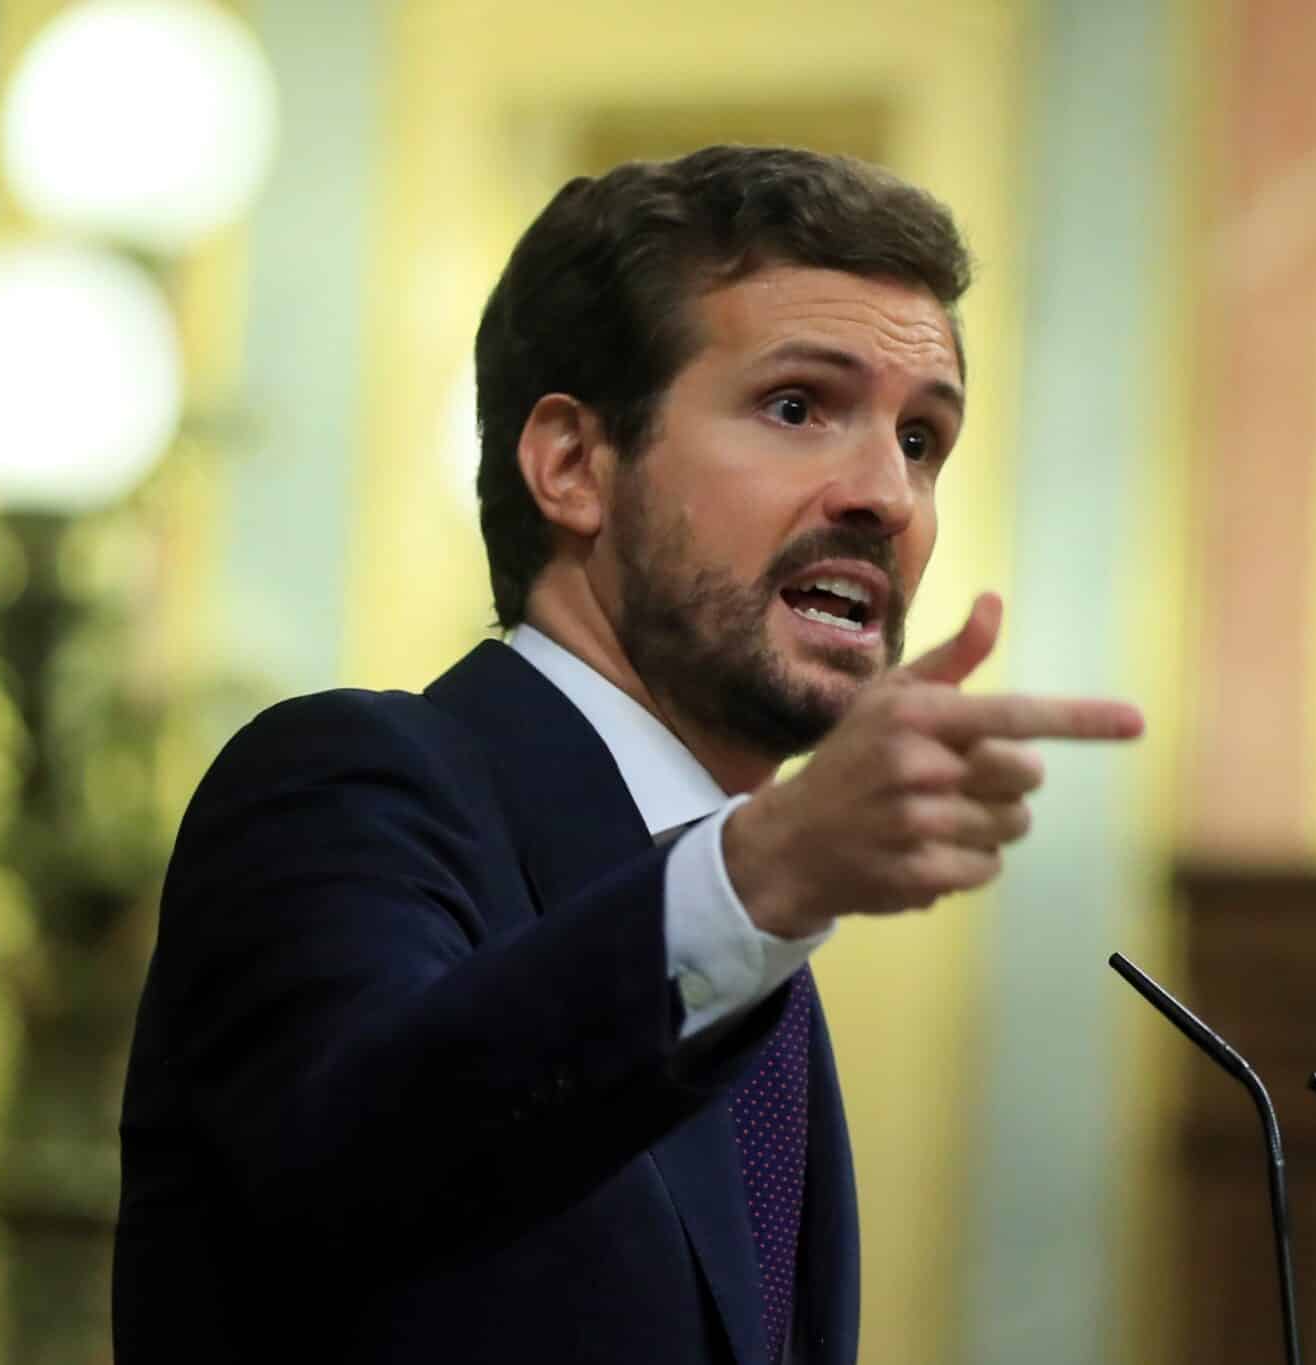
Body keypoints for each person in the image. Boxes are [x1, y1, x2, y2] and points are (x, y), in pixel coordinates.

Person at [113, 146, 1142, 1365]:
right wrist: (760, 878)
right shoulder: (352, 784)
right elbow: (359, 1161)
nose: (888, 496)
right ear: (571, 464)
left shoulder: (745, 951)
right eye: (799, 407)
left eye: (921, 440)